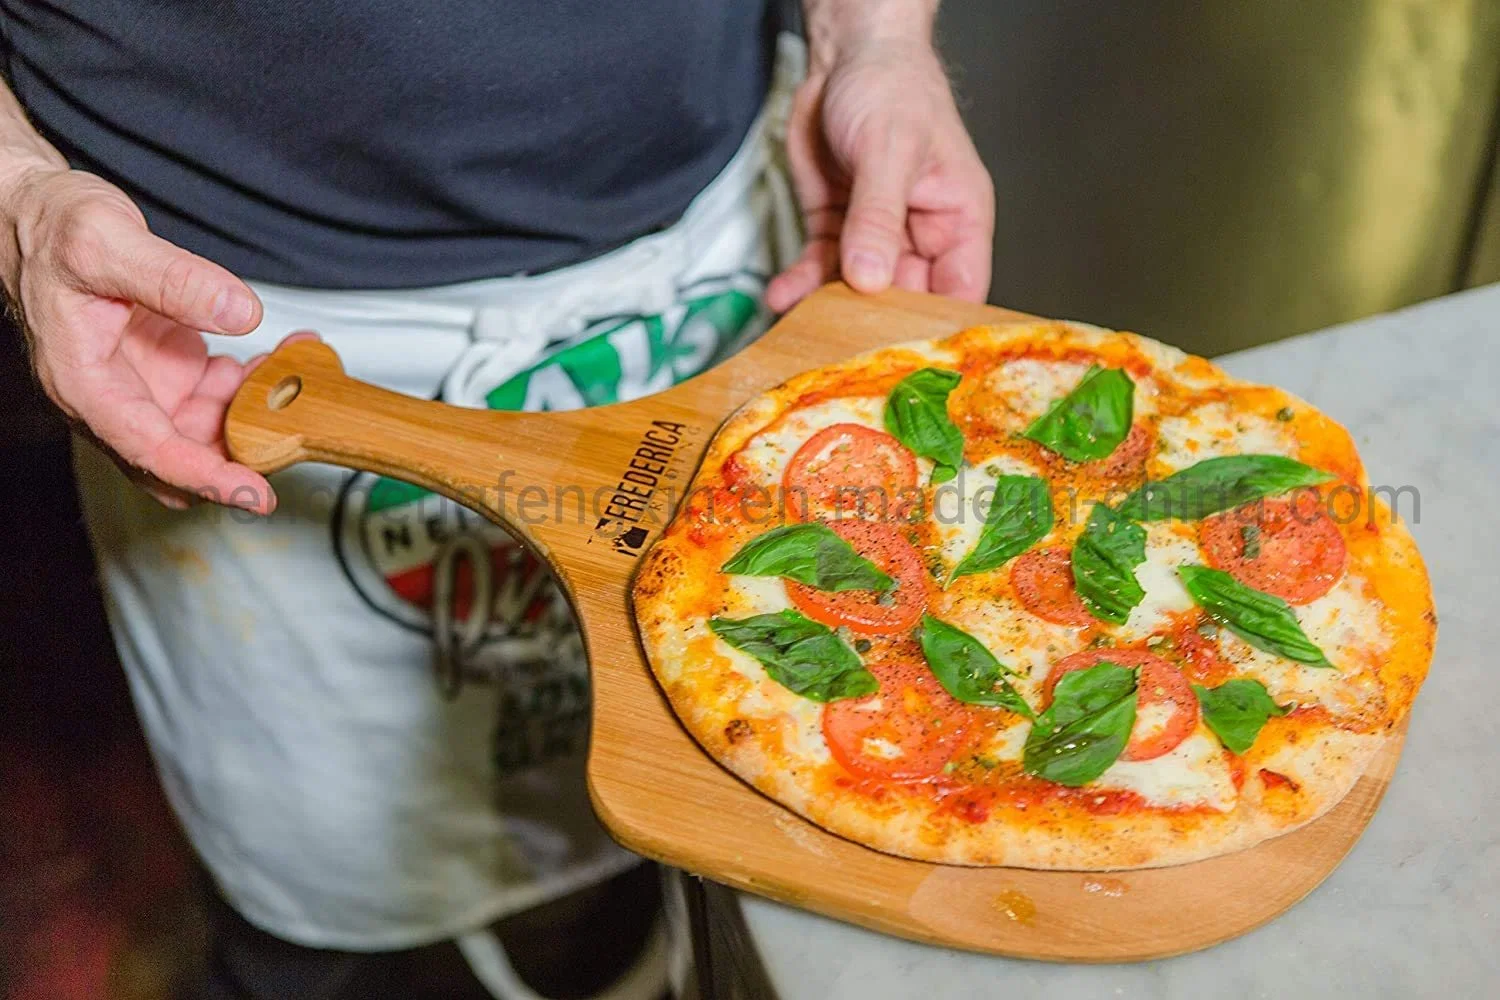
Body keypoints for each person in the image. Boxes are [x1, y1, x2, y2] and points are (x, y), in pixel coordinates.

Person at [0, 1, 993, 997]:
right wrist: (21, 203)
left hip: (730, 245)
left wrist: (873, 36)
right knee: (335, 931)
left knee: (724, 813)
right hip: (222, 331)